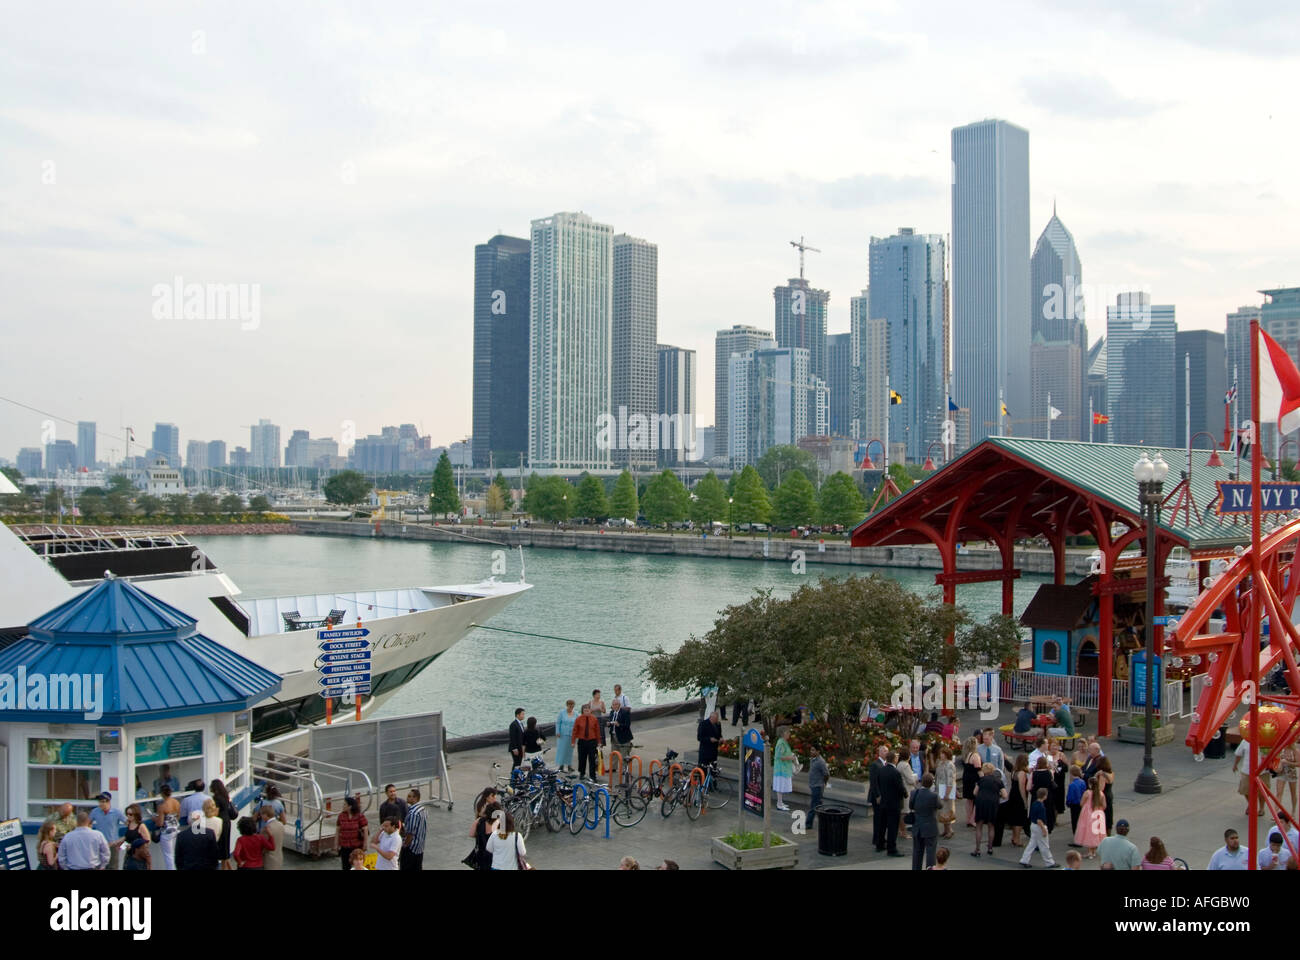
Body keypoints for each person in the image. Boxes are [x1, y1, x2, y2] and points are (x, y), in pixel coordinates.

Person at [876, 750, 907, 857]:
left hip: (884, 802)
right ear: (894, 759)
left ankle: (880, 844)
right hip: (894, 804)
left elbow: (878, 783)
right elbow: (900, 787)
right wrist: (905, 794)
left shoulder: (882, 770)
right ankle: (891, 849)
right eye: (896, 757)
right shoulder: (895, 772)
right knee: (892, 826)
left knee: (882, 825)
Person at [910, 772, 941, 870]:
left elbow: (911, 806)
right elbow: (940, 806)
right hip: (930, 827)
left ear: (922, 782)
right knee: (930, 852)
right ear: (932, 783)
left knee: (917, 851)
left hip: (917, 826)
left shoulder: (914, 793)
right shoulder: (934, 796)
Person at [1019, 787, 1057, 868]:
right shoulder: (1041, 806)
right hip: (1040, 826)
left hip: (1033, 825)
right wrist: (1044, 829)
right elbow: (1039, 820)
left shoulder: (1034, 803)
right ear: (1045, 796)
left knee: (1032, 844)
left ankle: (1024, 859)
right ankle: (1050, 862)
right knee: (1044, 845)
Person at [972, 762, 1004, 857]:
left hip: (981, 802)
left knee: (979, 826)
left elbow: (974, 792)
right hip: (992, 803)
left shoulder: (981, 780)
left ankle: (977, 849)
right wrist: (998, 794)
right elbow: (1005, 795)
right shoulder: (998, 781)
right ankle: (990, 848)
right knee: (991, 826)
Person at [90, 792, 126, 870]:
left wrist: (122, 842)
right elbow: (87, 824)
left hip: (112, 845)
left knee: (112, 867)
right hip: (99, 845)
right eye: (99, 802)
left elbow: (130, 825)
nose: (101, 804)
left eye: (103, 802)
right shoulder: (95, 812)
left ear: (109, 802)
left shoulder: (116, 812)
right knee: (98, 866)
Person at [1234, 739, 1272, 815]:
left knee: (1263, 792)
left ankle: (1261, 808)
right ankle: (1251, 804)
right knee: (1245, 790)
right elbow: (1238, 753)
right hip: (1247, 770)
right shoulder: (1245, 740)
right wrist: (1235, 765)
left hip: (1263, 771)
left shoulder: (1265, 739)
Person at [1072, 776, 1106, 858]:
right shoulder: (1101, 793)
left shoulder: (1087, 793)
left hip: (1088, 814)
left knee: (1089, 832)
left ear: (1090, 784)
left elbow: (1081, 803)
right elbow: (1104, 805)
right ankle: (1093, 851)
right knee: (1096, 832)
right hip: (1098, 814)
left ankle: (1090, 852)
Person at [335, 795, 369, 871]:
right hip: (345, 846)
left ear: (350, 806)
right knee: (345, 866)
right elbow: (337, 830)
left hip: (356, 846)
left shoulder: (359, 816)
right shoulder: (341, 816)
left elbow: (365, 830)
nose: (343, 806)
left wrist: (365, 844)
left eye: (344, 804)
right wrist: (336, 844)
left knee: (358, 865)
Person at [211, 779, 238, 868]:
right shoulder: (225, 796)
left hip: (220, 822)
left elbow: (215, 812)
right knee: (225, 846)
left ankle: (224, 868)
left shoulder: (216, 798)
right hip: (227, 821)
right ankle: (227, 867)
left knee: (220, 847)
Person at [572, 702, 602, 781]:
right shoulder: (578, 719)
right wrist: (573, 741)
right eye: (585, 710)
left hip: (592, 741)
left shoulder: (594, 719)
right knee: (582, 758)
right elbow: (575, 731)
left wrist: (599, 742)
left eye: (588, 710)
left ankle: (593, 776)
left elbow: (597, 731)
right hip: (582, 741)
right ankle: (582, 774)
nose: (587, 712)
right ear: (582, 711)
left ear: (590, 710)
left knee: (592, 759)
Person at [1006, 754, 1030, 847]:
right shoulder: (1022, 773)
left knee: (1014, 817)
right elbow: (1021, 787)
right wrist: (1025, 801)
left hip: (1013, 795)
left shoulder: (1014, 771)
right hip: (1019, 797)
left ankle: (1014, 837)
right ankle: (1017, 839)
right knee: (1019, 819)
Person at [155, 784, 180, 870]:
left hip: (167, 833)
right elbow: (178, 817)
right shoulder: (176, 802)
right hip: (175, 830)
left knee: (168, 855)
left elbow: (160, 823)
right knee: (173, 853)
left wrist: (154, 819)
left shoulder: (162, 806)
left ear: (162, 793)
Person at [401, 788, 427, 871]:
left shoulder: (413, 813)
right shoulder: (422, 809)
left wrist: (405, 845)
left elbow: (410, 833)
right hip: (420, 847)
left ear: (415, 798)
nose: (407, 798)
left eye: (409, 796)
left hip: (411, 848)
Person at [935, 747, 957, 839]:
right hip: (940, 789)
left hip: (946, 790)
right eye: (941, 753)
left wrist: (947, 793)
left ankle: (949, 830)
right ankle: (945, 830)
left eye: (943, 754)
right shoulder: (940, 763)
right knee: (942, 811)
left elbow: (950, 780)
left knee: (947, 811)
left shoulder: (950, 765)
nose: (941, 755)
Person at [471, 800, 499, 870]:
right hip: (494, 856)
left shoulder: (479, 821)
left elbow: (471, 834)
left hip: (481, 854)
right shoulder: (498, 823)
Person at [807, 743, 830, 829]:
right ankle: (825, 822)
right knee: (819, 806)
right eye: (811, 750)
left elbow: (826, 774)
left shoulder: (821, 762)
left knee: (813, 806)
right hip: (813, 786)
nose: (811, 751)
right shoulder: (812, 759)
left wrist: (824, 783)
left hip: (818, 787)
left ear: (818, 751)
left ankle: (808, 824)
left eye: (813, 750)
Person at [1030, 756, 1056, 833]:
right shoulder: (1049, 772)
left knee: (1037, 812)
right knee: (1048, 812)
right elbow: (1052, 783)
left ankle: (1037, 828)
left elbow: (1028, 787)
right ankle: (1047, 828)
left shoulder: (1034, 773)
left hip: (1037, 795)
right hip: (1047, 795)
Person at [122, 805, 151, 871]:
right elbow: (128, 838)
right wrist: (121, 847)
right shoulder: (129, 824)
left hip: (138, 856)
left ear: (136, 815)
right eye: (127, 814)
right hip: (129, 855)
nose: (128, 816)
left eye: (130, 814)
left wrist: (133, 845)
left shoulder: (141, 826)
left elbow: (148, 840)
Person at [773, 728, 795, 811]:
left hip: (784, 768)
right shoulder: (781, 743)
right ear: (783, 733)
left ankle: (780, 802)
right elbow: (781, 757)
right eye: (787, 732)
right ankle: (779, 804)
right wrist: (791, 758)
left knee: (781, 786)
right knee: (780, 786)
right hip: (781, 769)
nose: (789, 734)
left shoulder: (783, 741)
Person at [962, 736, 982, 828]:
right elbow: (978, 770)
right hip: (974, 780)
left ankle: (968, 818)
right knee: (977, 800)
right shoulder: (975, 756)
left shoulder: (967, 755)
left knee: (969, 800)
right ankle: (973, 819)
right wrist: (984, 779)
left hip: (966, 779)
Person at [260, 804, 285, 870]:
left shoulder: (266, 829)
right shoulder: (280, 825)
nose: (261, 816)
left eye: (261, 814)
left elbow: (263, 846)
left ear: (265, 815)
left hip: (268, 860)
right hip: (279, 858)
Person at [555, 700, 578, 772]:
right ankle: (561, 765)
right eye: (570, 705)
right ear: (567, 705)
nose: (571, 707)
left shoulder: (576, 714)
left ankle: (569, 765)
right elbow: (558, 723)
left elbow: (578, 723)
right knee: (562, 750)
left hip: (572, 735)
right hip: (562, 734)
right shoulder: (562, 713)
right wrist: (558, 731)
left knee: (570, 751)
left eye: (572, 705)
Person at [1065, 764, 1086, 838]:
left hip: (1074, 805)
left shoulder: (1072, 785)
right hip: (1082, 803)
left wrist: (1068, 803)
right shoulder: (1082, 782)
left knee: (1075, 821)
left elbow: (1070, 796)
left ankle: (1077, 836)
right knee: (1081, 820)